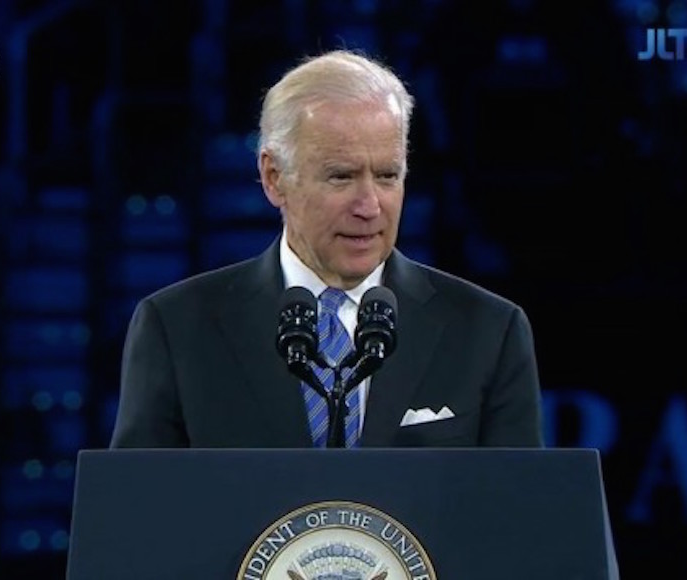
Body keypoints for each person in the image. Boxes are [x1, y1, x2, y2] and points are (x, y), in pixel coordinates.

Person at [110, 49, 543, 449]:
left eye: (388, 175)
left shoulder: (487, 332)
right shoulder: (177, 328)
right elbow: (134, 516)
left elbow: (520, 518)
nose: (370, 206)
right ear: (274, 177)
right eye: (341, 176)